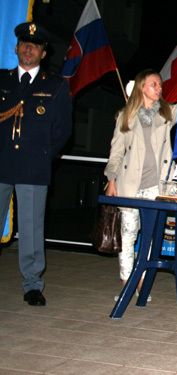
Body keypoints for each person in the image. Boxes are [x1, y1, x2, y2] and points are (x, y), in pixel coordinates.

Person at [0, 22, 72, 306]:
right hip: (1, 162)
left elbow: (62, 131)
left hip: (33, 166)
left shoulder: (54, 86)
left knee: (30, 230)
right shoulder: (2, 81)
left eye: (35, 46)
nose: (29, 49)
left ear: (43, 53)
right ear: (16, 48)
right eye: (24, 44)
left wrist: (43, 155)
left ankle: (32, 285)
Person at [104, 69, 177, 298]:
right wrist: (111, 179)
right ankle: (127, 284)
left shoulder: (166, 113)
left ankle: (141, 283)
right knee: (128, 234)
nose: (159, 88)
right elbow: (116, 152)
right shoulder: (126, 115)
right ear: (141, 87)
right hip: (130, 185)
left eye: (160, 85)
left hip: (156, 186)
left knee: (151, 236)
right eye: (154, 84)